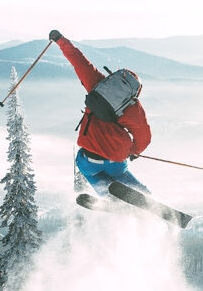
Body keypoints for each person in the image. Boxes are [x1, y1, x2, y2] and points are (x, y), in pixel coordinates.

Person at [49, 29, 151, 196]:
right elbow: (144, 136)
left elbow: (78, 61)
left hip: (90, 160)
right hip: (116, 159)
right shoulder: (133, 108)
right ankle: (145, 195)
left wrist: (60, 40)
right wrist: (134, 151)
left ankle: (106, 196)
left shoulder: (97, 84)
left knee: (89, 171)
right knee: (121, 174)